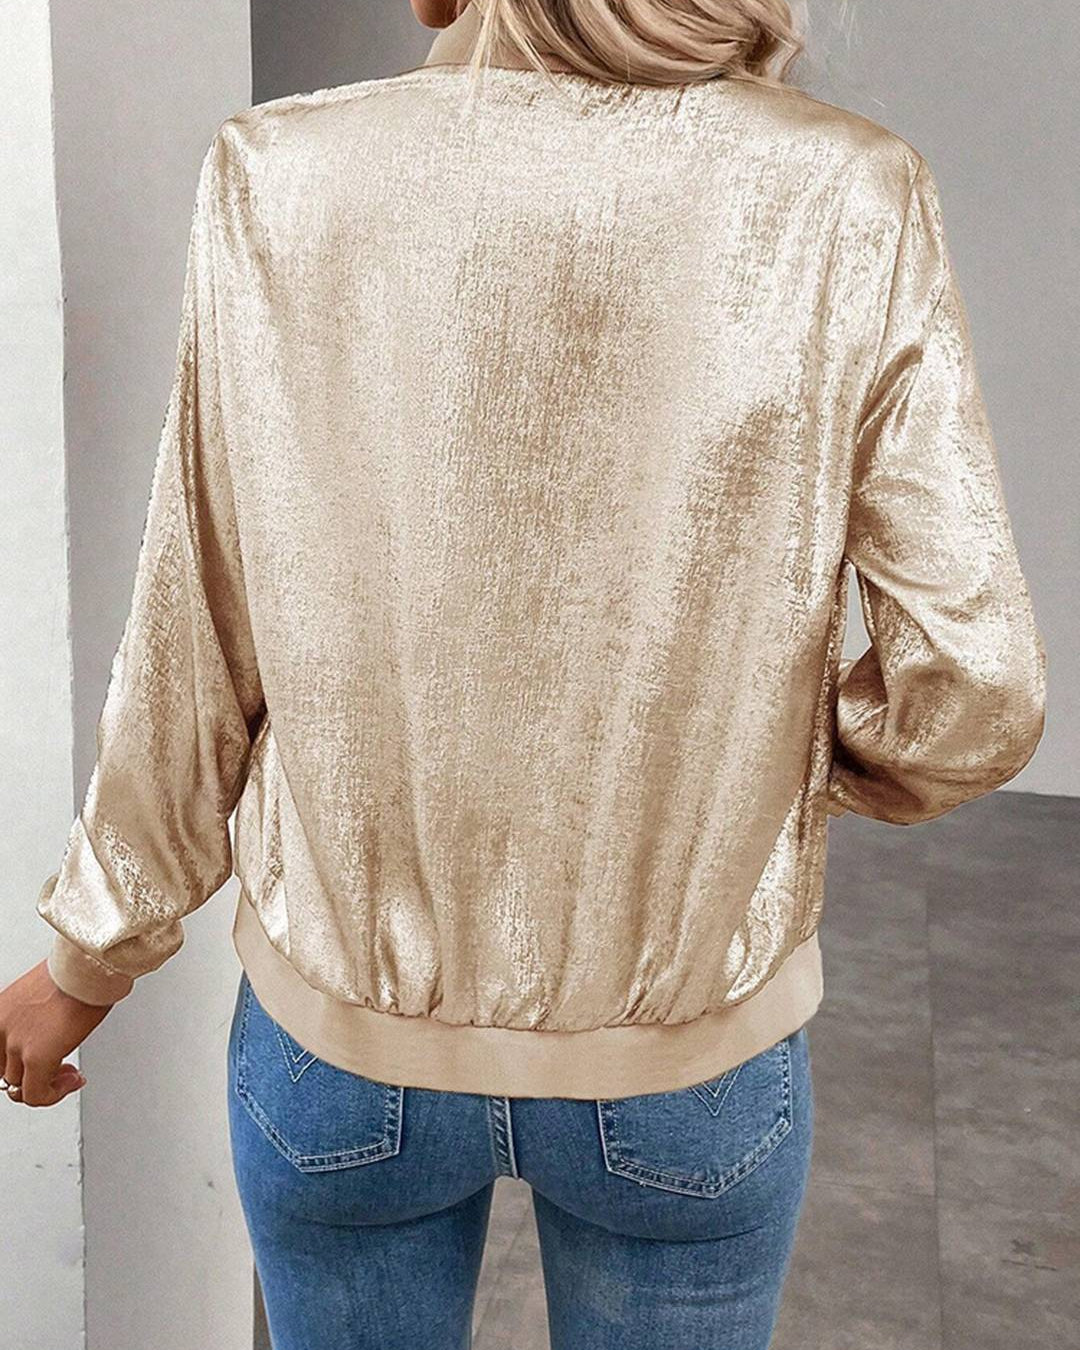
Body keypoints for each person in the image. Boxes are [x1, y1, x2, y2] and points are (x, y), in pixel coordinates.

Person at [1, 1, 1047, 1346]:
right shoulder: (851, 193)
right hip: (687, 1063)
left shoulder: (278, 174)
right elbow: (974, 687)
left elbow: (194, 632)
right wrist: (765, 770)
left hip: (343, 1054)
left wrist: (85, 963)